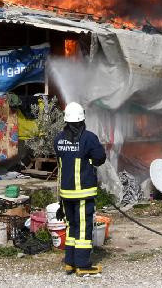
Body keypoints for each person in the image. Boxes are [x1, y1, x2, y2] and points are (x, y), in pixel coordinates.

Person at [54, 101, 106, 276]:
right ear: (83, 118)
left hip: (66, 193)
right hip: (83, 192)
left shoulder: (58, 139)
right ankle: (83, 265)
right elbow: (100, 158)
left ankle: (70, 262)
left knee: (71, 227)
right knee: (83, 227)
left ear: (66, 119)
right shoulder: (88, 138)